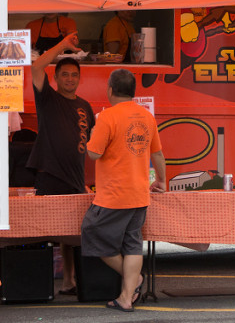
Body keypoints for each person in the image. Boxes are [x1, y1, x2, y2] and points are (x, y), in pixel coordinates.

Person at [81, 69, 165, 313]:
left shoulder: (107, 118)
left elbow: (94, 153)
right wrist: (161, 181)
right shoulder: (147, 117)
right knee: (132, 245)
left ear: (109, 90)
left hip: (113, 195)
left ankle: (133, 281)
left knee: (92, 234)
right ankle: (127, 295)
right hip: (139, 194)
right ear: (134, 92)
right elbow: (157, 153)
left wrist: (93, 134)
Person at [27, 31, 95, 294]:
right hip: (49, 173)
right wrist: (63, 46)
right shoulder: (47, 98)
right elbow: (36, 66)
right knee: (42, 231)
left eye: (74, 75)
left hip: (76, 178)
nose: (69, 79)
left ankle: (69, 281)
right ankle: (37, 284)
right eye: (64, 74)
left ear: (80, 79)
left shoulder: (85, 107)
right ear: (55, 78)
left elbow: (93, 144)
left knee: (72, 235)